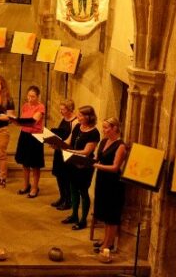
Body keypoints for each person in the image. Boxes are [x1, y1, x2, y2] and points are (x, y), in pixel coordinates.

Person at [60, 105, 100, 230]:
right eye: (78, 115)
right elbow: (69, 141)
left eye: (81, 115)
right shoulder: (78, 126)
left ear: (89, 117)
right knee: (73, 189)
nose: (78, 117)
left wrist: (70, 152)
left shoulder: (94, 133)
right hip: (73, 162)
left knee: (83, 191)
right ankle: (74, 215)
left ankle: (83, 220)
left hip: (84, 165)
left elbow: (86, 152)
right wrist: (58, 143)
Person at [92, 117, 127, 253]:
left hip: (113, 183)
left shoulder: (121, 146)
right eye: (103, 127)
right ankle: (106, 238)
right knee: (104, 213)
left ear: (115, 128)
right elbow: (97, 158)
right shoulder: (104, 141)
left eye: (106, 127)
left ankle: (108, 243)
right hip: (102, 180)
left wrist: (96, 165)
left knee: (111, 215)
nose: (103, 130)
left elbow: (115, 167)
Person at [14, 85, 45, 198]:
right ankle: (26, 185)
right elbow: (22, 120)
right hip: (25, 136)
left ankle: (35, 188)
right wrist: (16, 121)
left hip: (35, 137)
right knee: (25, 163)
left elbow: (33, 121)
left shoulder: (40, 107)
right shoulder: (25, 106)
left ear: (38, 97)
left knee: (35, 164)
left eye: (32, 96)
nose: (30, 98)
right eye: (28, 96)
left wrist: (20, 121)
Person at [49, 99, 78, 210]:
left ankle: (68, 200)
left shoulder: (75, 122)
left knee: (66, 177)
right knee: (59, 175)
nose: (60, 111)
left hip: (67, 151)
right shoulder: (64, 118)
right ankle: (62, 197)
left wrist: (59, 145)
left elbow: (71, 139)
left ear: (69, 109)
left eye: (63, 109)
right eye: (60, 109)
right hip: (58, 150)